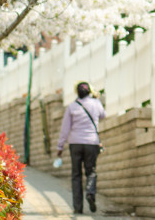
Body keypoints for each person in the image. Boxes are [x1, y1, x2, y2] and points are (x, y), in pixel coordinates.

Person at [57, 81, 106, 214]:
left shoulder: (72, 107)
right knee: (91, 172)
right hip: (92, 142)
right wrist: (97, 99)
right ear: (89, 91)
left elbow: (65, 129)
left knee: (76, 175)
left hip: (75, 144)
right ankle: (90, 193)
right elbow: (103, 115)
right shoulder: (96, 104)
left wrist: (60, 146)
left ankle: (78, 208)